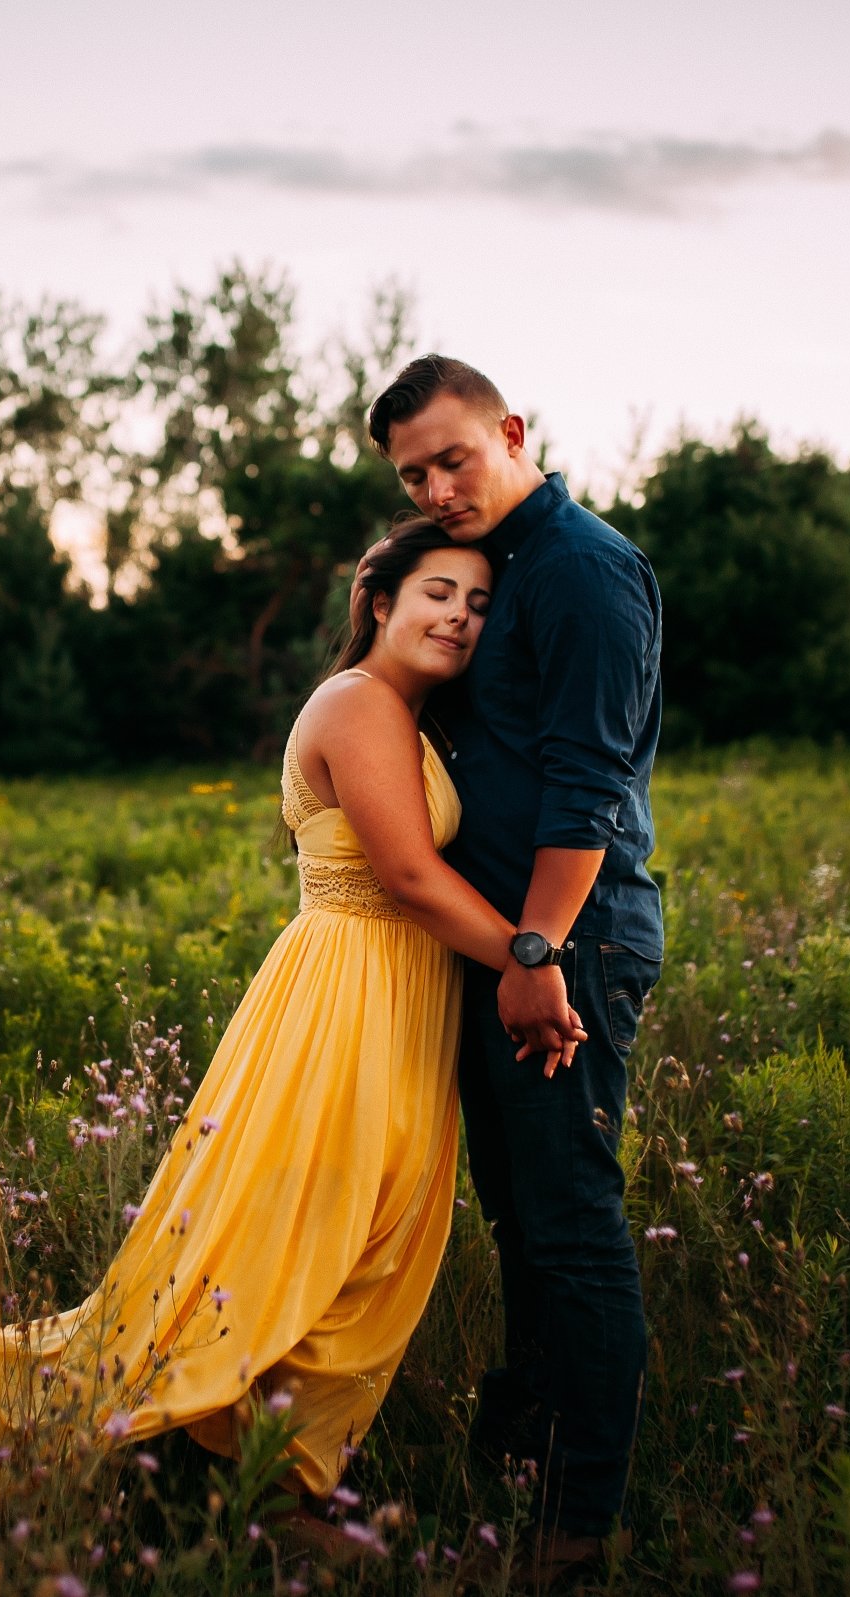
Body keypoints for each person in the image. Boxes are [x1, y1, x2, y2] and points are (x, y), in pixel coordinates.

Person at [0, 519, 570, 1530]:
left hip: (402, 998)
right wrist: (538, 960)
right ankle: (187, 1460)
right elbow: (405, 872)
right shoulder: (358, 703)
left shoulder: (409, 716)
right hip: (344, 991)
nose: (461, 617)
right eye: (441, 591)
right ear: (381, 600)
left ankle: (270, 1470)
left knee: (385, 1239)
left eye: (481, 605)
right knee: (294, 1237)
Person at [370, 354, 666, 1578]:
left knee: (570, 1224)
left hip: (564, 943)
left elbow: (587, 785)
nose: (438, 487)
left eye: (453, 457)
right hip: (505, 946)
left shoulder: (585, 569)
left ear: (511, 429)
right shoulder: (499, 568)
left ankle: (575, 1528)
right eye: (412, 475)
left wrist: (537, 949)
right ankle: (528, 1463)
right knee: (522, 1223)